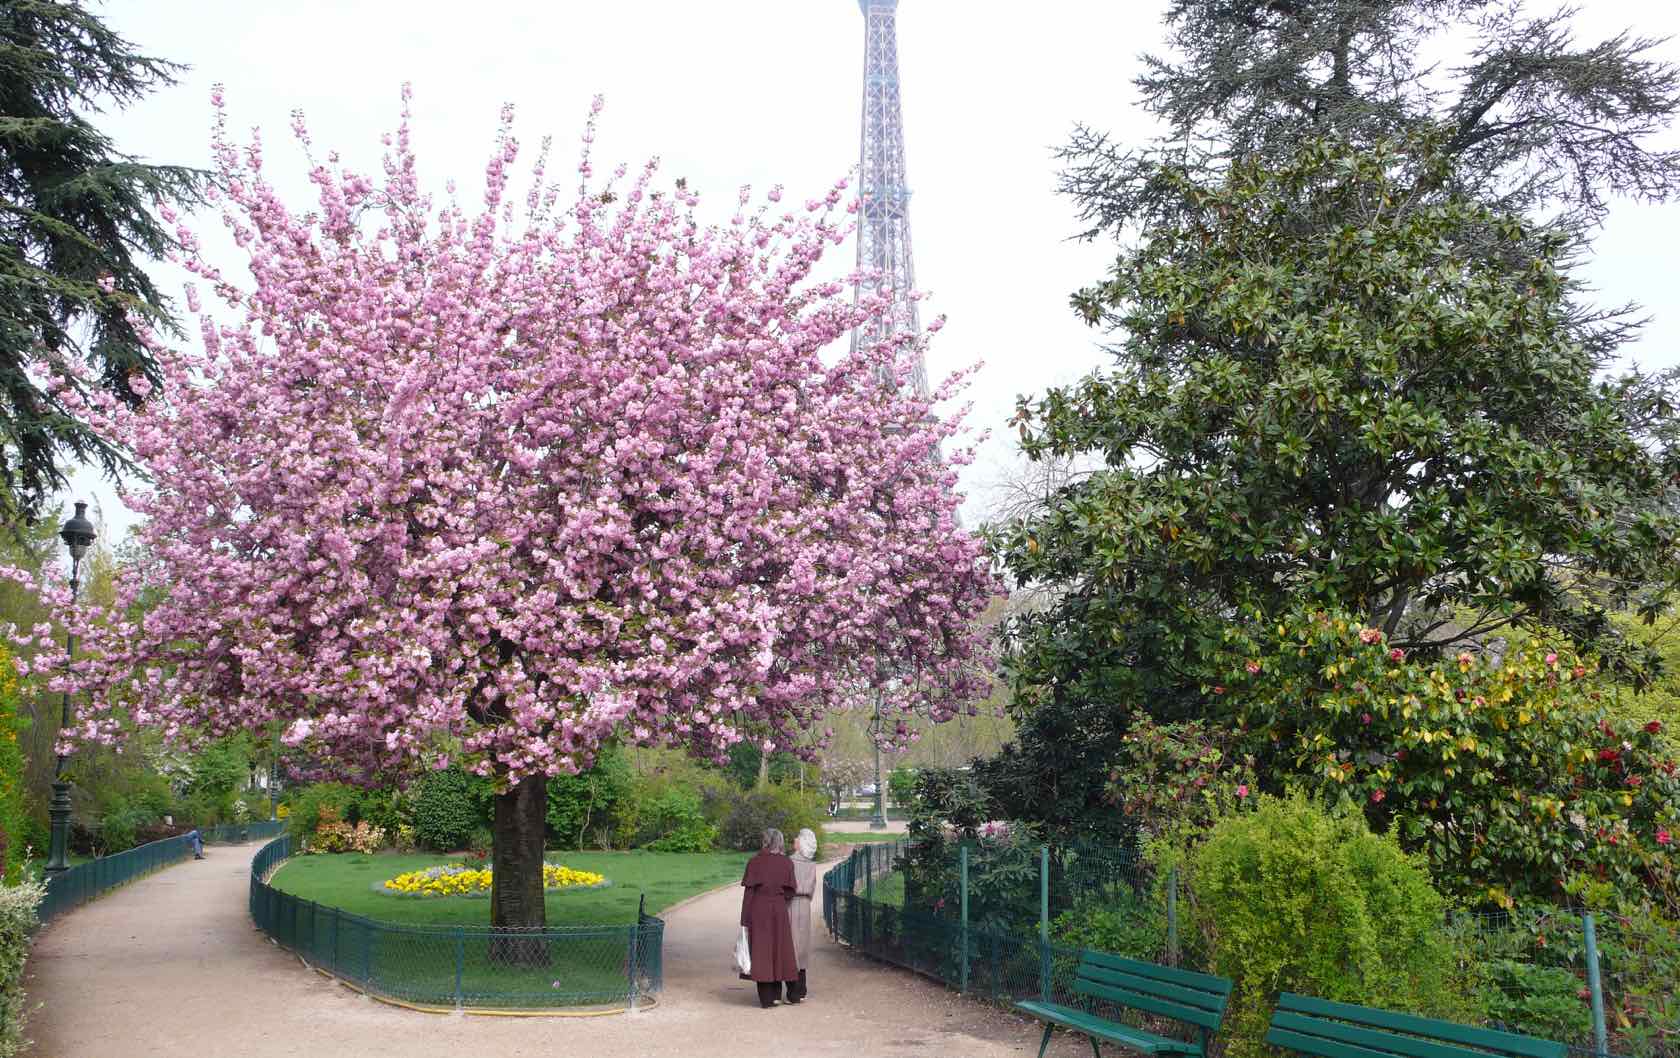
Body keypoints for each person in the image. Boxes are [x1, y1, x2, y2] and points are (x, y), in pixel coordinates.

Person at [739, 827, 799, 1008]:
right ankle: (781, 993)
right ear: (779, 842)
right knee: (781, 949)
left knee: (762, 951)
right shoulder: (787, 863)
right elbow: (790, 890)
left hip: (758, 908)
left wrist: (744, 920)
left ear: (764, 841)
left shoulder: (754, 862)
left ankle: (767, 997)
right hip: (779, 908)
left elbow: (749, 893)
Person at [787, 828, 819, 1002]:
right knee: (802, 947)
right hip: (805, 904)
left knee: (791, 944)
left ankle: (793, 989)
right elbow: (812, 887)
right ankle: (801, 988)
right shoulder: (812, 864)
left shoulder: (789, 862)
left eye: (797, 838)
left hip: (791, 903)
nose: (794, 840)